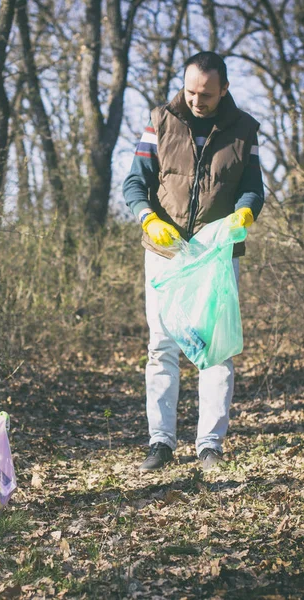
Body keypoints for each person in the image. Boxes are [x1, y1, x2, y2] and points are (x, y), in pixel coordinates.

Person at [123, 51, 264, 471]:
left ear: (224, 89)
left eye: (206, 93)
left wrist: (245, 213)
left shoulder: (245, 130)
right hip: (165, 249)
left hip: (217, 255)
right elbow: (135, 182)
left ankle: (210, 447)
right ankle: (160, 443)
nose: (196, 101)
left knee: (216, 350)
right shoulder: (161, 121)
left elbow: (253, 188)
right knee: (161, 345)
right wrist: (148, 219)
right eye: (190, 91)